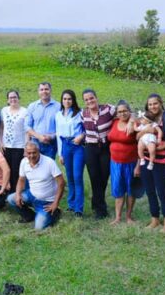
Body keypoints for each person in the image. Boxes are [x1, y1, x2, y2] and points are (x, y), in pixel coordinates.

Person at [139, 93, 165, 232]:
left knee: (161, 191)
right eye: (150, 104)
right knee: (149, 190)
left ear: (161, 103)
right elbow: (137, 136)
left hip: (160, 160)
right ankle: (154, 219)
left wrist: (154, 147)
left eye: (155, 103)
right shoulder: (147, 118)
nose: (153, 106)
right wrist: (145, 132)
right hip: (145, 160)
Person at [7, 142, 65, 230]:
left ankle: (55, 212)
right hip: (32, 195)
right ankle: (29, 216)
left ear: (39, 151)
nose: (31, 155)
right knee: (11, 198)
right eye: (29, 153)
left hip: (47, 202)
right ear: (25, 153)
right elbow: (21, 179)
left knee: (39, 227)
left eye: (34, 152)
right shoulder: (24, 162)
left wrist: (55, 203)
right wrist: (18, 194)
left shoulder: (49, 162)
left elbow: (61, 183)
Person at [80, 88, 115, 219]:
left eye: (91, 98)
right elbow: (81, 128)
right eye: (86, 100)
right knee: (94, 177)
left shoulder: (108, 109)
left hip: (106, 148)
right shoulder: (83, 114)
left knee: (104, 177)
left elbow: (125, 112)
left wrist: (131, 122)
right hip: (90, 147)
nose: (90, 101)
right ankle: (100, 210)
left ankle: (97, 202)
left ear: (96, 97)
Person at [107, 100, 140, 224]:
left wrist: (138, 166)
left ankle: (129, 217)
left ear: (129, 111)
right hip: (115, 163)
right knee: (118, 189)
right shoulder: (114, 122)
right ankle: (117, 217)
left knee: (131, 190)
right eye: (119, 111)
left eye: (125, 111)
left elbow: (141, 145)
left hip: (131, 162)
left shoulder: (135, 124)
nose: (122, 113)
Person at [55, 89, 85, 217]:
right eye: (64, 99)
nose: (67, 101)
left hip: (77, 146)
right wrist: (60, 153)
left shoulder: (80, 113)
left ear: (73, 100)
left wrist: (82, 136)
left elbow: (87, 129)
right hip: (65, 146)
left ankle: (79, 208)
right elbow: (58, 135)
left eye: (69, 99)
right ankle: (71, 205)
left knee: (77, 177)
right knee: (70, 177)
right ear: (62, 100)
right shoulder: (58, 115)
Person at [0, 89, 27, 191]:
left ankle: (16, 193)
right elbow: (1, 127)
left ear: (18, 98)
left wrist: (25, 147)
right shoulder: (4, 110)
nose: (13, 99)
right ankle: (7, 191)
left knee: (16, 171)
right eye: (10, 97)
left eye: (15, 97)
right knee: (7, 170)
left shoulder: (24, 111)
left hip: (19, 146)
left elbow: (27, 130)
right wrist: (1, 142)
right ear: (7, 100)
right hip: (6, 146)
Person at [25, 82, 60, 159]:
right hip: (35, 142)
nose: (44, 91)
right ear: (38, 92)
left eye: (46, 89)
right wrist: (39, 136)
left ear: (50, 90)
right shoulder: (32, 106)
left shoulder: (58, 107)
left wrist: (51, 136)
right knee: (34, 167)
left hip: (51, 143)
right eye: (42, 89)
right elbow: (27, 126)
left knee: (48, 168)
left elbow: (61, 127)